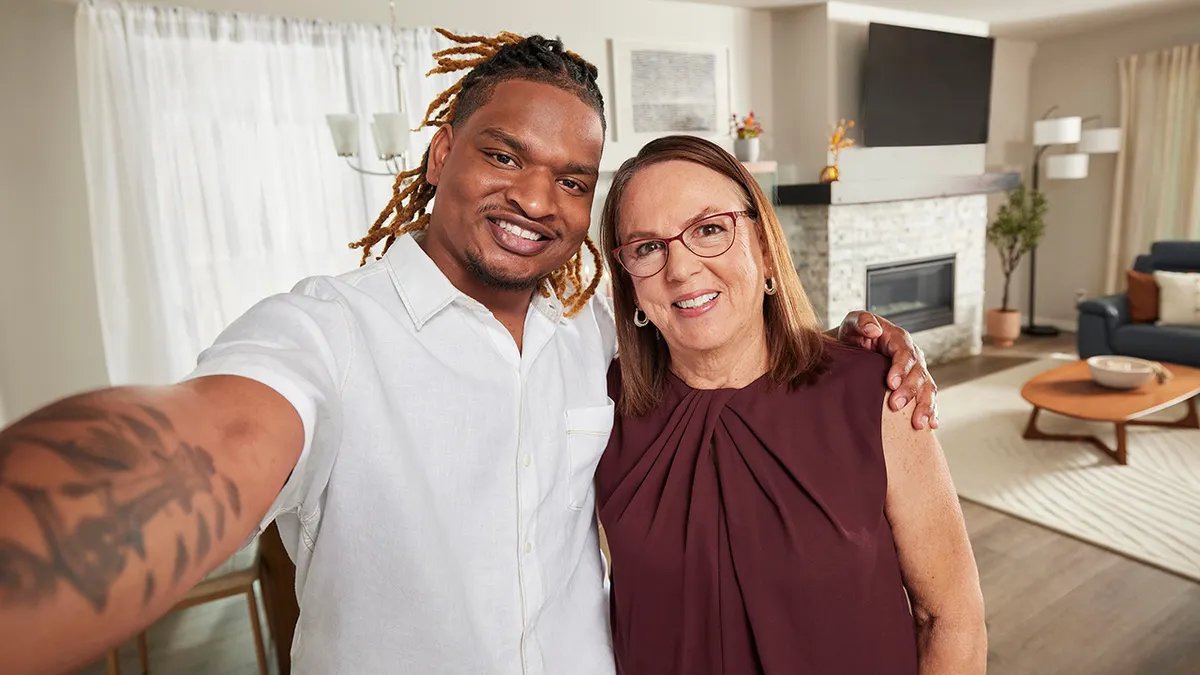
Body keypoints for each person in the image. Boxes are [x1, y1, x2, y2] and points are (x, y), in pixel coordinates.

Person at [0, 32, 939, 675]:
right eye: (503, 155)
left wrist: (873, 343)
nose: (538, 198)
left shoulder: (597, 358)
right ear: (441, 151)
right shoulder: (324, 334)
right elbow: (202, 440)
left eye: (572, 180)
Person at [596, 135, 985, 675]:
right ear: (628, 281)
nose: (680, 269)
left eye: (709, 229)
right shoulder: (601, 407)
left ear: (762, 246)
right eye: (647, 247)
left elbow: (950, 617)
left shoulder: (876, 394)